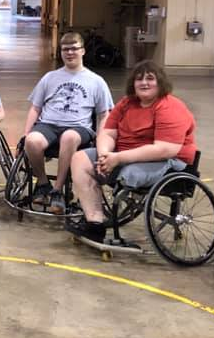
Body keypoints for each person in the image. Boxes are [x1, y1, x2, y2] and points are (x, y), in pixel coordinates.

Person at [66, 60, 197, 243]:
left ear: (161, 82)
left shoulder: (170, 107)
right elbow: (108, 132)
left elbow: (165, 149)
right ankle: (95, 222)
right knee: (80, 159)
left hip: (165, 161)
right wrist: (104, 155)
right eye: (139, 79)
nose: (144, 83)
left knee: (128, 175)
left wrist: (118, 158)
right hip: (123, 155)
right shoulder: (127, 103)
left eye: (150, 79)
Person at [23, 32, 114, 214]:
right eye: (65, 49)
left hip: (79, 128)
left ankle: (58, 190)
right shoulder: (50, 77)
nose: (70, 53)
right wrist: (25, 134)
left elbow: (104, 114)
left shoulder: (96, 81)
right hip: (48, 125)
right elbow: (35, 108)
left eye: (74, 48)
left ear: (82, 51)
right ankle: (42, 184)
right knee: (32, 141)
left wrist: (101, 140)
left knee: (69, 137)